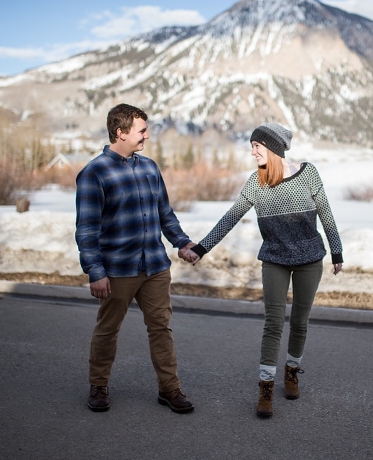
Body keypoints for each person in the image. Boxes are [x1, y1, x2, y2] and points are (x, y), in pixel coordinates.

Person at [186, 123, 343, 418]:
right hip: (274, 259)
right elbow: (230, 217)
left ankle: (292, 371)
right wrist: (201, 248)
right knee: (273, 323)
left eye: (257, 146)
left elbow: (326, 213)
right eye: (252, 146)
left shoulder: (308, 173)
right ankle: (266, 389)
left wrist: (337, 251)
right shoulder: (255, 183)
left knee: (299, 320)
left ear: (272, 147)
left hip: (310, 259)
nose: (252, 151)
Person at [75, 103, 197, 413]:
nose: (146, 135)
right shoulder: (94, 173)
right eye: (141, 130)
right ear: (121, 132)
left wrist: (181, 243)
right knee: (107, 330)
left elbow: (164, 214)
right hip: (117, 270)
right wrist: (95, 271)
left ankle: (170, 389)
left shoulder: (149, 167)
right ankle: (99, 386)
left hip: (155, 266)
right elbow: (87, 230)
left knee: (161, 329)